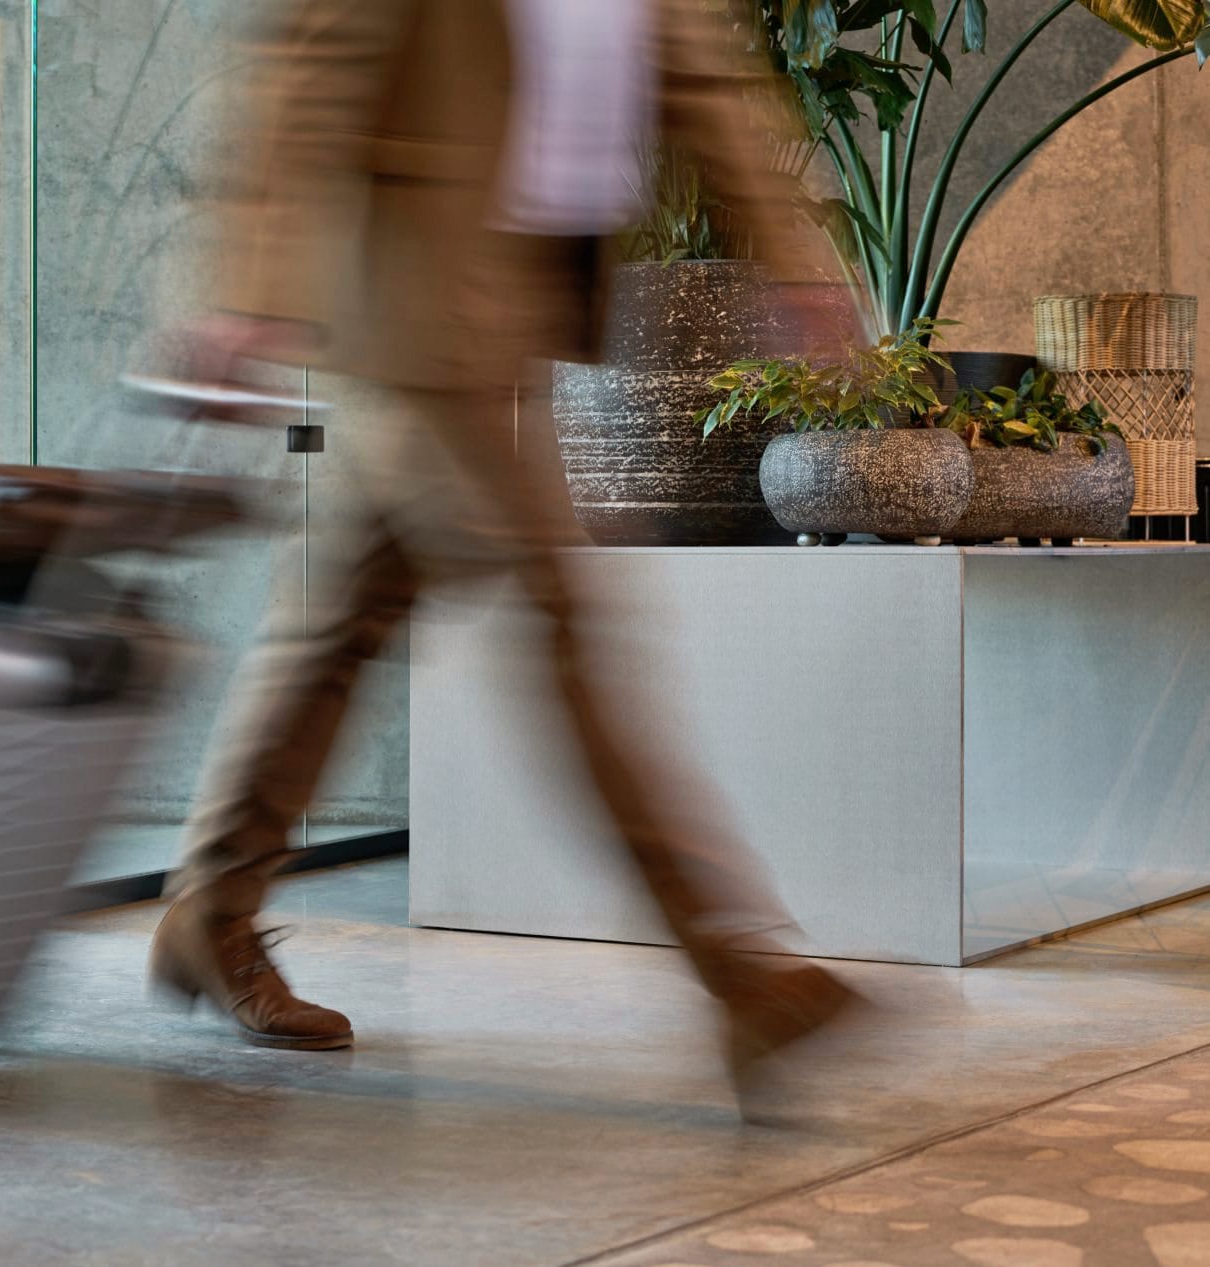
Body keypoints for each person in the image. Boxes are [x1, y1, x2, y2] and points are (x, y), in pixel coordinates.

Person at [146, 0, 864, 1104]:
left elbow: (695, 79)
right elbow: (306, 59)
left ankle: (208, 910)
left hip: (517, 289)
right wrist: (249, 285)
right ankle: (740, 976)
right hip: (412, 295)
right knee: (563, 612)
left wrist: (793, 262)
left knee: (342, 618)